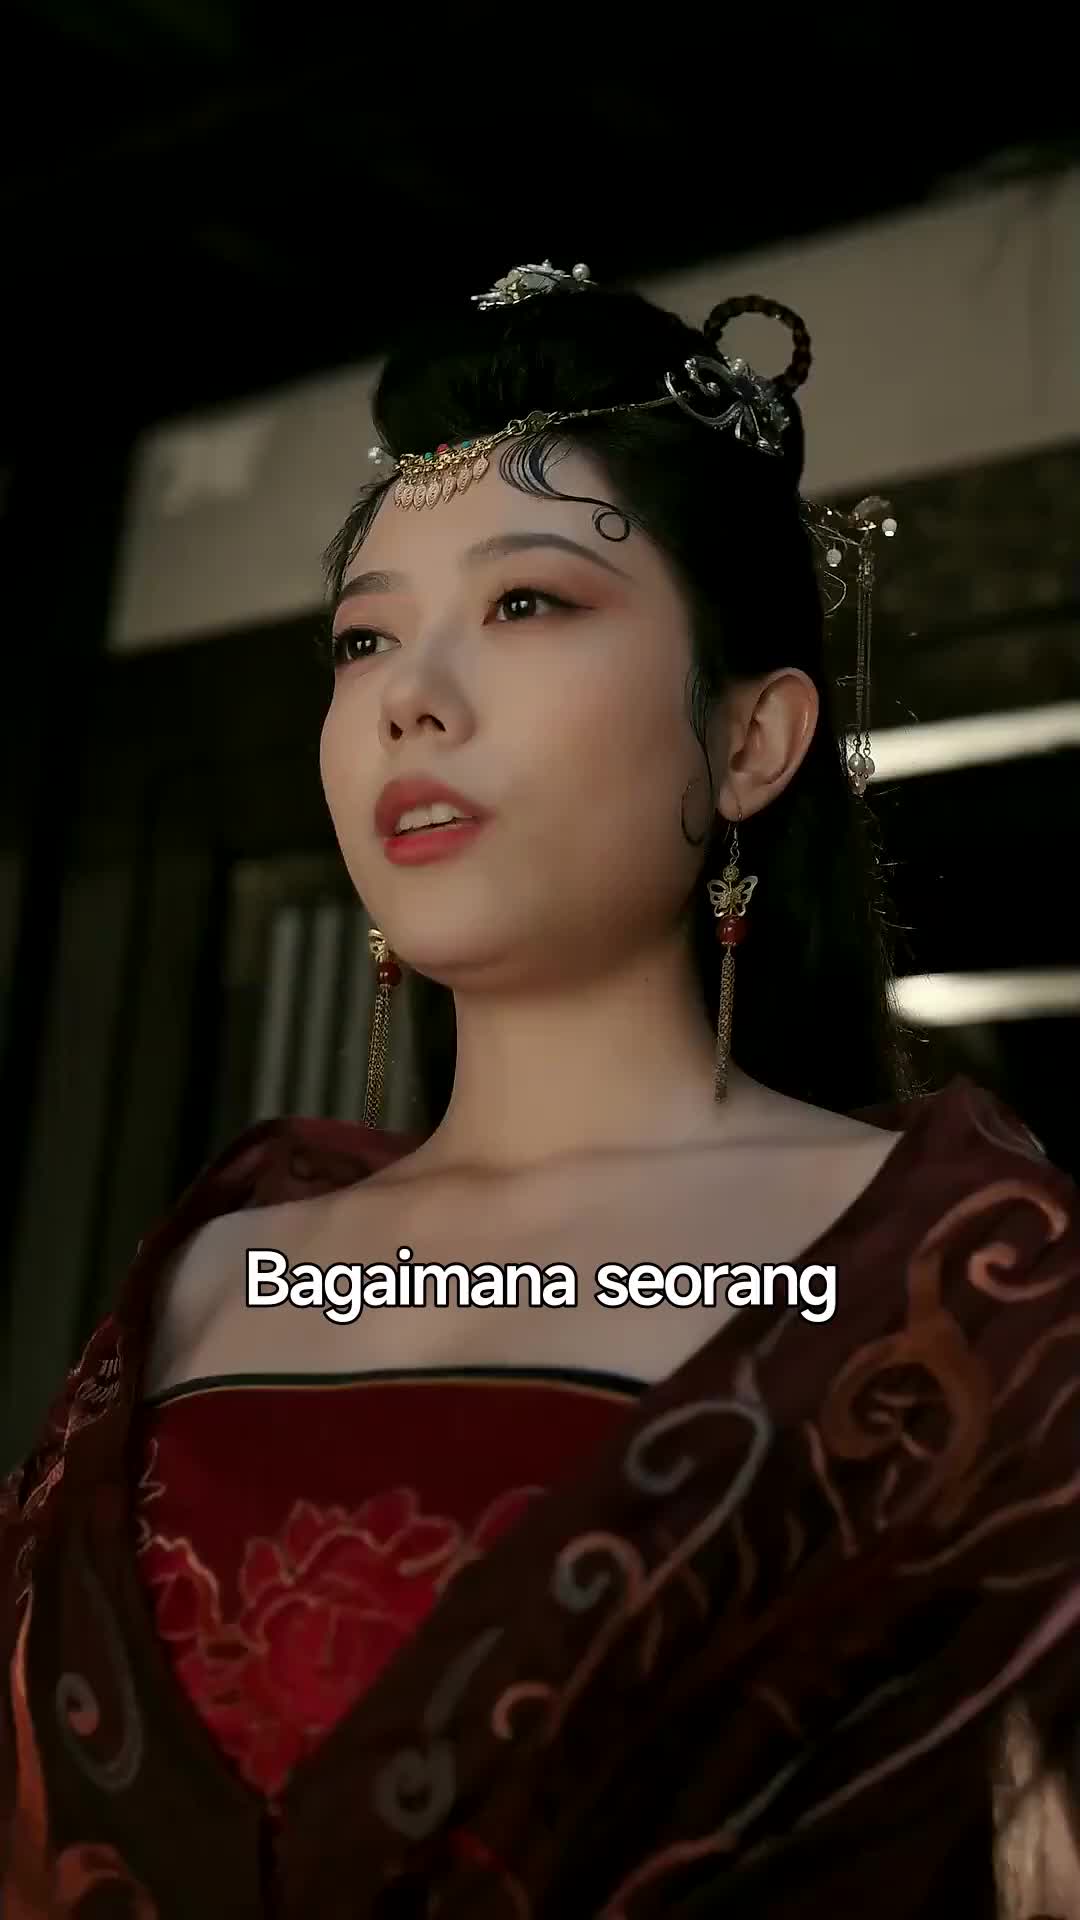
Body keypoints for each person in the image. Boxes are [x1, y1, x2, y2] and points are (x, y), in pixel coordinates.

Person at [2, 262, 1079, 1920]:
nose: (410, 695)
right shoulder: (212, 1270)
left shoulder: (961, 1276)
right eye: (364, 636)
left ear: (751, 741)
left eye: (526, 605)